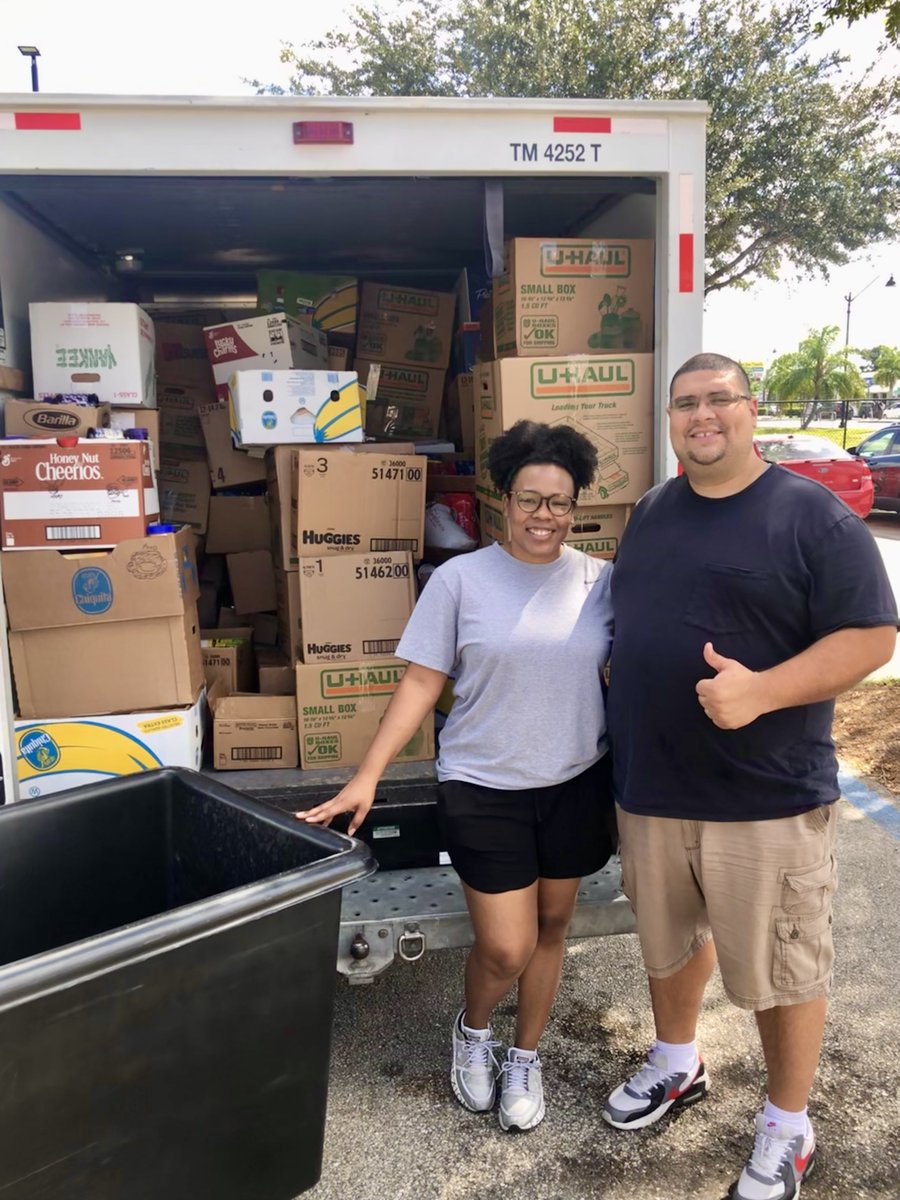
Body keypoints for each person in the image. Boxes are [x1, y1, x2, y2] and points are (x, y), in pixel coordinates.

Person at [603, 352, 897, 1200]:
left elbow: (872, 638)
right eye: (685, 404)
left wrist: (762, 692)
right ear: (669, 420)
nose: (703, 416)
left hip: (763, 796)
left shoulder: (812, 516)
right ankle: (676, 1062)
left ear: (749, 409)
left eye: (719, 400)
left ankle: (787, 1124)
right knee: (668, 946)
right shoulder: (653, 512)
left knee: (784, 965)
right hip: (654, 787)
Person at [298, 419, 616, 1132]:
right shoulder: (459, 580)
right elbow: (419, 684)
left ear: (576, 505)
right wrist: (367, 777)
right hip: (483, 785)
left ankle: (525, 1055)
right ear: (503, 500)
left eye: (560, 502)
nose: (545, 516)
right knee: (506, 944)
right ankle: (474, 1032)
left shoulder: (603, 581)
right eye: (531, 499)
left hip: (574, 782)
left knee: (554, 926)